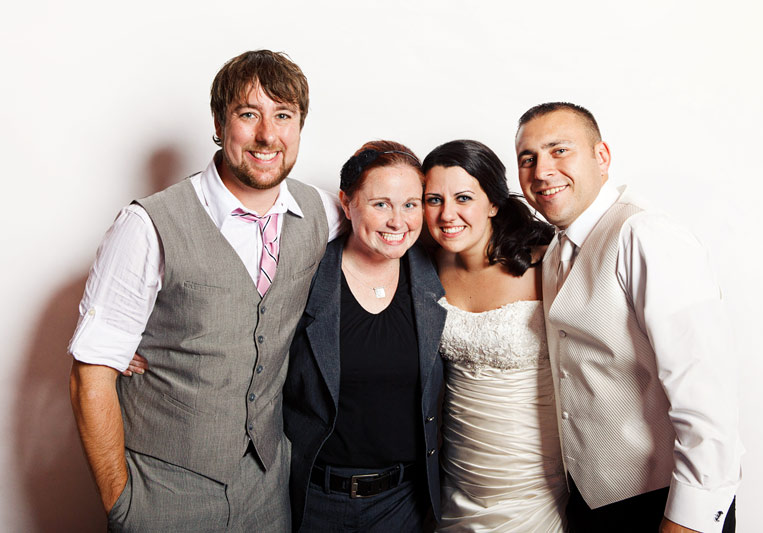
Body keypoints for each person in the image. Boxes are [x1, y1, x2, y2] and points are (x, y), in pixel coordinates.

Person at [68, 50, 343, 531]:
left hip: (267, 490)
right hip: (162, 491)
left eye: (283, 115)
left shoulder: (321, 212)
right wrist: (123, 505)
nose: (268, 135)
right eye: (248, 114)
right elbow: (90, 373)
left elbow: (394, 222)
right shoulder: (147, 225)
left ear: (300, 125)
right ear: (218, 123)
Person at [514, 102, 743, 533]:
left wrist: (689, 520)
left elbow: (706, 396)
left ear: (601, 157)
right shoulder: (555, 250)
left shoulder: (647, 234)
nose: (541, 171)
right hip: (591, 502)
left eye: (559, 150)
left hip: (666, 504)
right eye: (528, 159)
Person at [283, 141, 446, 532]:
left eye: (410, 204)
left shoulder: (437, 274)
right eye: (381, 204)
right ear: (346, 202)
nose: (398, 221)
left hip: (403, 504)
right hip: (313, 498)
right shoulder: (303, 275)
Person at [421, 139, 566, 532]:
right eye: (434, 200)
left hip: (534, 480)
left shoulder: (548, 262)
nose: (447, 214)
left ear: (493, 203)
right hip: (458, 474)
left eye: (463, 198)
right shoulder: (425, 265)